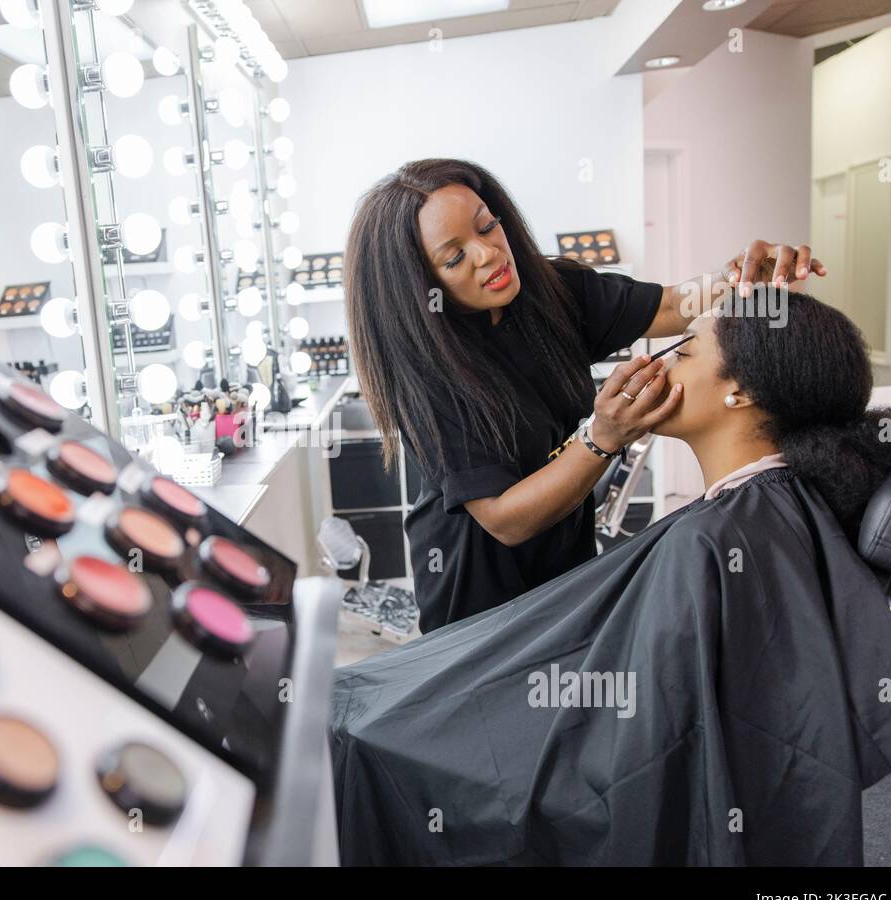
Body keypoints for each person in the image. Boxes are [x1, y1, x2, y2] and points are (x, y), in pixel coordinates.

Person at [330, 288, 891, 865]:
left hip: (583, 769)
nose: (655, 362)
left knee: (357, 726)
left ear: (741, 391)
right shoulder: (772, 513)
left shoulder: (717, 539)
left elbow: (633, 755)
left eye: (685, 350)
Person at [345, 158, 827, 632]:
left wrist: (739, 278)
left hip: (566, 554)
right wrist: (602, 438)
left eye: (488, 226)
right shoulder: (432, 373)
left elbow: (672, 305)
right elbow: (504, 520)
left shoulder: (552, 292)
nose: (489, 254)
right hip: (477, 591)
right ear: (421, 286)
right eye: (454, 258)